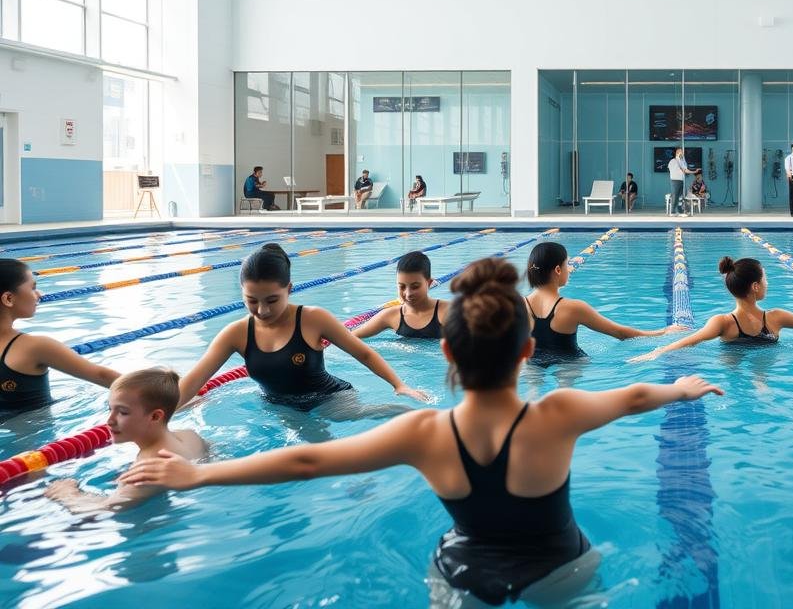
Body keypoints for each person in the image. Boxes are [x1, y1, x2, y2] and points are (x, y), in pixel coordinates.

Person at [119, 258, 724, 608]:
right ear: (527, 353)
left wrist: (199, 473)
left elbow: (306, 464)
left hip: (463, 574)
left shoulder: (425, 433)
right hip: (562, 568)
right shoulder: (558, 412)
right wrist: (684, 389)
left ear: (446, 354)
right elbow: (637, 395)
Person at [176, 244, 430, 417]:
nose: (262, 310)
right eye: (252, 301)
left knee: (355, 421)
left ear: (289, 289)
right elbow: (193, 381)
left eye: (272, 300)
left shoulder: (313, 318)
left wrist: (399, 384)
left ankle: (416, 417)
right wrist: (160, 416)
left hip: (330, 398)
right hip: (280, 406)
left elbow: (363, 353)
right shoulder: (236, 333)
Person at [45, 368, 206, 512]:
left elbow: (106, 508)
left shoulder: (148, 470)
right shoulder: (190, 436)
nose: (109, 420)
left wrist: (67, 494)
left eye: (122, 412)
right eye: (110, 409)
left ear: (155, 416)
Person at [629, 256, 793, 362]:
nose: (768, 283)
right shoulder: (776, 317)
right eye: (765, 279)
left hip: (731, 361)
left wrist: (656, 353)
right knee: (761, 370)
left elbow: (689, 341)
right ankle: (761, 383)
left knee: (732, 363)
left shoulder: (722, 322)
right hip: (766, 358)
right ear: (755, 286)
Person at [0, 259, 120, 421]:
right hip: (41, 444)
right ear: (8, 298)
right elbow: (103, 376)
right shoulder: (35, 347)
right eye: (33, 288)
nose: (39, 294)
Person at [525, 242, 677, 367]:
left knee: (533, 386)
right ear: (558, 270)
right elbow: (621, 333)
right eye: (568, 264)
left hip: (533, 363)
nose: (569, 270)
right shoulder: (574, 307)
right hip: (572, 363)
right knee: (567, 389)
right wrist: (662, 332)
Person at [354, 251, 450, 340]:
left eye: (415, 287)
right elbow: (351, 337)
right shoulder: (391, 315)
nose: (408, 294)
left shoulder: (449, 311)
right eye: (402, 287)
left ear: (429, 283)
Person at [667, 148, 697, 217]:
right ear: (677, 153)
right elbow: (683, 170)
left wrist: (693, 171)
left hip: (681, 180)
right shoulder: (673, 161)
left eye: (682, 153)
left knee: (682, 196)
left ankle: (680, 211)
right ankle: (673, 211)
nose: (682, 154)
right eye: (681, 152)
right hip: (675, 180)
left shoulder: (681, 161)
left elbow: (685, 169)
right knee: (675, 196)